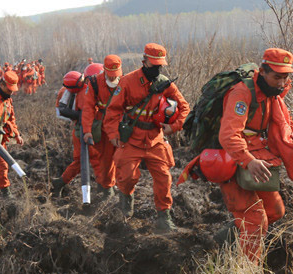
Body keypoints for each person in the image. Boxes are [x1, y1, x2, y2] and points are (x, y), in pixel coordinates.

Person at [217, 49, 293, 261]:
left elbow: (286, 121)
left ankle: (226, 241)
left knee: (275, 211)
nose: (282, 82)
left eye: (285, 77)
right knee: (256, 220)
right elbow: (228, 135)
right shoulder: (242, 93)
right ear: (263, 71)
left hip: (259, 157)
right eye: (277, 76)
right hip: (233, 161)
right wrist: (249, 161)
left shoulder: (274, 96)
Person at [103, 43, 190, 232]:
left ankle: (164, 217)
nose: (157, 69)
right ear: (144, 62)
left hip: (155, 139)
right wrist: (113, 134)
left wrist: (173, 127)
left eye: (160, 65)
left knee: (164, 178)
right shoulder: (127, 81)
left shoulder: (165, 83)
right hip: (132, 139)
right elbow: (113, 110)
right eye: (154, 65)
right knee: (126, 176)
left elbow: (184, 107)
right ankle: (126, 205)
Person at [52, 65, 103, 197]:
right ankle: (104, 189)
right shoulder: (85, 94)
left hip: (87, 129)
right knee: (96, 159)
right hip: (85, 130)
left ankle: (59, 183)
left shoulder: (86, 90)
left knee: (81, 161)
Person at [79, 54, 124, 198]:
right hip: (104, 127)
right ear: (104, 70)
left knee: (124, 158)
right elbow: (88, 108)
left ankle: (120, 187)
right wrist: (87, 131)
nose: (112, 78)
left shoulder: (126, 82)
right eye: (109, 75)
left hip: (120, 124)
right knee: (106, 159)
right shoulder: (95, 83)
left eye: (115, 75)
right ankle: (107, 187)